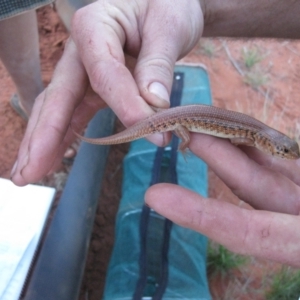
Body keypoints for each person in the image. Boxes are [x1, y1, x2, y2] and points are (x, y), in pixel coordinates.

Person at [10, 0, 300, 267]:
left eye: (284, 150)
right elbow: (234, 139)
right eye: (283, 149)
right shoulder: (250, 135)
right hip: (178, 120)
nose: (283, 152)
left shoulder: (253, 134)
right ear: (267, 141)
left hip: (180, 117)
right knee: (176, 133)